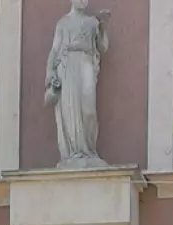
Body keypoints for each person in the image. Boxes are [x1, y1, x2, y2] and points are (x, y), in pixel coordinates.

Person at [45, 0, 111, 169]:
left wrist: (103, 27)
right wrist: (50, 72)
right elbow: (55, 49)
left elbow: (102, 47)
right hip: (67, 66)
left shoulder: (92, 22)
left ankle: (89, 151)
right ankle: (74, 153)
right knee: (70, 110)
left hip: (86, 63)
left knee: (89, 111)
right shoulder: (63, 23)